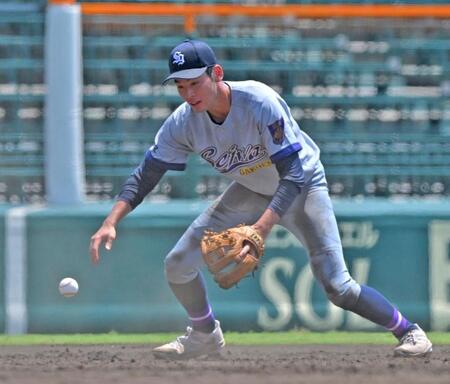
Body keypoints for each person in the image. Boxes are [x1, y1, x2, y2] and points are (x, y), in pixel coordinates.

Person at [89, 39, 432, 360]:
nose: (188, 93)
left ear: (216, 74)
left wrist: (260, 229)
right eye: (180, 86)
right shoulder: (182, 123)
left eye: (195, 83)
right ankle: (204, 334)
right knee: (178, 264)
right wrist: (111, 221)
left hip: (302, 185)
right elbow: (146, 174)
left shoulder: (257, 101)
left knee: (338, 287)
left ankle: (410, 331)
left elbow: (294, 174)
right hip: (251, 188)